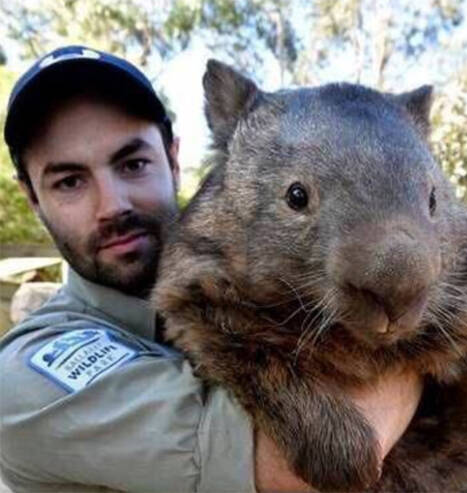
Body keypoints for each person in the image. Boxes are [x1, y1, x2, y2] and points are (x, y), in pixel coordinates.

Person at [0, 45, 423, 493]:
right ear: (31, 197)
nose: (112, 204)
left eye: (133, 164)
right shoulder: (23, 381)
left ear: (174, 159)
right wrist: (418, 327)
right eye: (70, 181)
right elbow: (310, 461)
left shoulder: (258, 277)